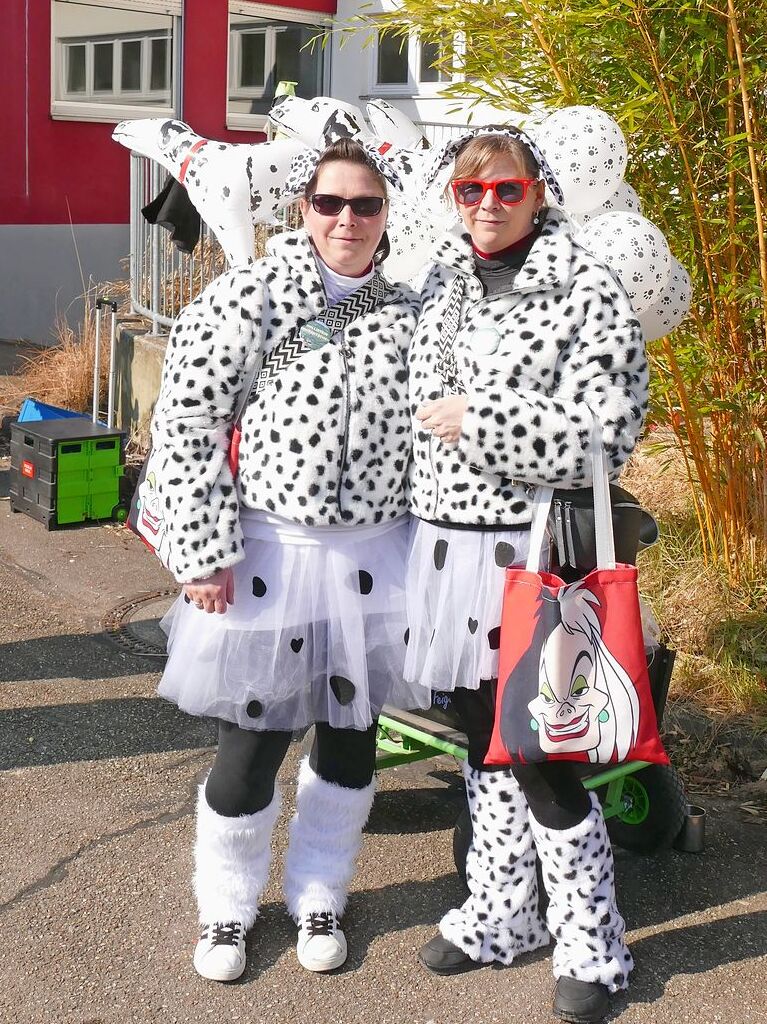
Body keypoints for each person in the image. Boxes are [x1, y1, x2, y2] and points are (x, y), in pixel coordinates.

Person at [149, 138, 424, 983]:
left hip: (377, 561)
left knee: (350, 741)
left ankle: (319, 890)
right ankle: (226, 908)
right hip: (270, 552)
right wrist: (201, 550)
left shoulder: (412, 312)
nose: (348, 221)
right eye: (330, 203)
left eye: (366, 205)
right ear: (302, 209)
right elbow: (187, 420)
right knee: (250, 745)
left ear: (387, 217)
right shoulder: (250, 297)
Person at [404, 127, 648, 1023]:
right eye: (470, 192)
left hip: (531, 548)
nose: (488, 207)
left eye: (505, 190)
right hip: (441, 544)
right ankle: (502, 912)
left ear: (538, 191)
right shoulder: (440, 279)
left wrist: (482, 417)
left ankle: (593, 940)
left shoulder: (585, 289)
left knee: (541, 745)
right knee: (479, 731)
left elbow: (607, 431)